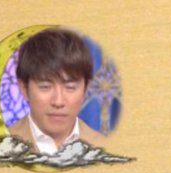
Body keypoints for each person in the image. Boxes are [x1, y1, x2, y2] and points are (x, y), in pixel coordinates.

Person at [6, 27, 106, 155]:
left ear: (85, 89)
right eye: (45, 86)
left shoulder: (104, 147)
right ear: (24, 88)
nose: (58, 102)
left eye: (70, 87)